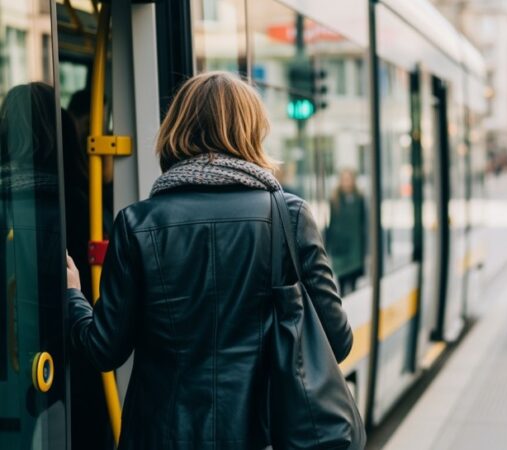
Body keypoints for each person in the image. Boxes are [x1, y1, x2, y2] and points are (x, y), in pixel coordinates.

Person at [65, 72, 354, 449]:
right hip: (264, 436)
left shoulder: (137, 223)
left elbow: (103, 349)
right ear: (251, 131)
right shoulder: (290, 217)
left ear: (176, 129)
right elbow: (338, 340)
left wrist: (73, 296)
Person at [326, 169, 368, 295]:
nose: (346, 182)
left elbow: (364, 224)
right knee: (342, 283)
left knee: (353, 283)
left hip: (355, 248)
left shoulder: (360, 199)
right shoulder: (334, 200)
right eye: (344, 179)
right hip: (340, 248)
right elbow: (331, 224)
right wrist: (329, 246)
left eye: (348, 179)